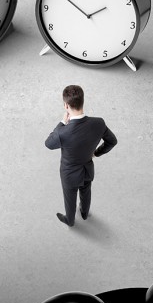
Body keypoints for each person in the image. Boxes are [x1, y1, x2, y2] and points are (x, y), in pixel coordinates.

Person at [45, 85, 118, 227]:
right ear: (82, 101)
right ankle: (84, 213)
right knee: (86, 192)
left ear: (66, 105)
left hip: (69, 174)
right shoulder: (99, 123)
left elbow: (48, 143)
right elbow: (112, 141)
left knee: (70, 199)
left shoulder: (63, 132)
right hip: (87, 169)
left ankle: (70, 220)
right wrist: (96, 153)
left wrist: (62, 123)